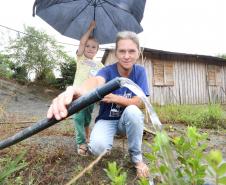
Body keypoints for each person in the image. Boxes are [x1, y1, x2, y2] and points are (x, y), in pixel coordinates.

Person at [47, 31, 150, 178]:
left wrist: (115, 98)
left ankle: (137, 159)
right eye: (122, 51)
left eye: (131, 51)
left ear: (138, 53)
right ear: (115, 53)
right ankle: (101, 143)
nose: (126, 56)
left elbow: (140, 102)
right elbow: (95, 82)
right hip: (107, 119)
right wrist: (78, 90)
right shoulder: (107, 71)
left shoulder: (140, 71)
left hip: (126, 121)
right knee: (97, 149)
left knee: (133, 111)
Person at [73, 20, 104, 156]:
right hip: (78, 95)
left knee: (86, 119)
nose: (90, 49)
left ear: (97, 50)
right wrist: (90, 28)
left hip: (90, 97)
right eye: (88, 46)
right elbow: (81, 43)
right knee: (78, 118)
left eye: (93, 47)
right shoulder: (80, 59)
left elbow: (105, 78)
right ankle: (81, 143)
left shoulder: (99, 65)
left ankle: (87, 136)